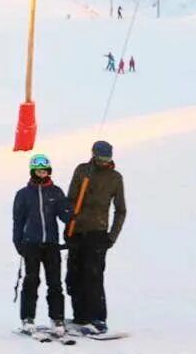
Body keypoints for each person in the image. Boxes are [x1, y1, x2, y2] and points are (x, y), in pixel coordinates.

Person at [65, 140, 127, 337]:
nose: (104, 162)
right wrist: (69, 227)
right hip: (76, 231)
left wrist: (112, 236)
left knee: (93, 277)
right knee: (74, 276)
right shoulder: (82, 171)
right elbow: (70, 200)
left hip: (98, 234)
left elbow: (121, 210)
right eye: (100, 158)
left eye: (107, 159)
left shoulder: (115, 178)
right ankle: (80, 317)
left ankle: (98, 319)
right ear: (94, 155)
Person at [13, 153, 73, 337]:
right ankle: (27, 318)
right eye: (39, 170)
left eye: (45, 170)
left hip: (51, 244)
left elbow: (64, 217)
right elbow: (18, 220)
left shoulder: (56, 192)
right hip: (31, 244)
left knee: (54, 283)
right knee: (31, 281)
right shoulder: (23, 194)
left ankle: (57, 318)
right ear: (32, 171)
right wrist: (18, 243)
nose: (42, 173)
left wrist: (69, 210)